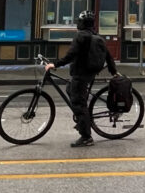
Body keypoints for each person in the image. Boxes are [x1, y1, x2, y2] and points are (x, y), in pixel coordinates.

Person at [45, 11, 117, 147]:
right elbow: (109, 56)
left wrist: (55, 64)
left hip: (81, 74)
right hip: (89, 73)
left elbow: (71, 55)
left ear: (82, 23)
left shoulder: (81, 36)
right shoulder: (97, 37)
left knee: (78, 104)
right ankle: (83, 119)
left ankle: (86, 137)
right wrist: (114, 71)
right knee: (70, 88)